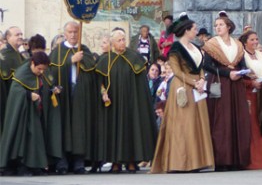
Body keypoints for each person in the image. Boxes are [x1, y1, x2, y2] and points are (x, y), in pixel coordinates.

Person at [151, 14, 216, 173]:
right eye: (193, 29)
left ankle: (196, 162)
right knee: (183, 125)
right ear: (186, 31)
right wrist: (194, 83)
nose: (196, 31)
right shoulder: (175, 48)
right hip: (183, 87)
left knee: (196, 124)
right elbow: (177, 71)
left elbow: (200, 67)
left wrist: (201, 80)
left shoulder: (195, 47)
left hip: (197, 87)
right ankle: (179, 162)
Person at [95, 29, 157, 173]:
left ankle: (131, 161)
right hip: (113, 103)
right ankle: (115, 162)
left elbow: (141, 83)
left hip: (131, 102)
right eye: (119, 40)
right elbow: (99, 81)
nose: (122, 43)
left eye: (124, 39)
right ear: (112, 43)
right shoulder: (105, 59)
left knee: (131, 129)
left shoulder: (134, 57)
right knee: (114, 129)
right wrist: (103, 93)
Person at [201, 14, 251, 170]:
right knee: (221, 120)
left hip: (236, 84)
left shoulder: (238, 45)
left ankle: (237, 159)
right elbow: (207, 66)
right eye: (216, 25)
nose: (218, 27)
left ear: (228, 27)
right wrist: (226, 74)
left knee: (237, 118)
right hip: (219, 82)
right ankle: (222, 159)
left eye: (221, 24)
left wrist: (243, 72)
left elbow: (242, 64)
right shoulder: (211, 44)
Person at [49, 21, 99, 174]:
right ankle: (62, 162)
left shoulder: (84, 50)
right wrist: (70, 61)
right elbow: (52, 70)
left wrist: (81, 59)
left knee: (79, 127)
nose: (73, 35)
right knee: (63, 126)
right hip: (63, 93)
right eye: (70, 32)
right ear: (65, 33)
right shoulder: (58, 51)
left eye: (76, 32)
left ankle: (78, 162)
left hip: (80, 94)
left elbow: (91, 69)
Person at [0, 51, 61, 176]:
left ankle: (35, 166)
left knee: (37, 140)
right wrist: (28, 94)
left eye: (43, 70)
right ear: (33, 63)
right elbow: (16, 90)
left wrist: (52, 90)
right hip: (23, 114)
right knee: (24, 139)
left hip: (36, 113)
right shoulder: (22, 73)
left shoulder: (39, 72)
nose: (41, 72)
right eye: (39, 69)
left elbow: (42, 86)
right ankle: (22, 166)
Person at [238, 30, 262, 170]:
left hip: (261, 94)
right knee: (251, 128)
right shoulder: (241, 57)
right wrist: (251, 83)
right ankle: (252, 161)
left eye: (256, 39)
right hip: (248, 95)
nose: (255, 42)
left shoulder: (261, 55)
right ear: (245, 42)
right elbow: (240, 77)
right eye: (252, 40)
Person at [0, 26, 26, 135]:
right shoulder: (5, 56)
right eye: (17, 35)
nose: (20, 37)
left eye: (21, 34)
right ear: (8, 37)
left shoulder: (20, 55)